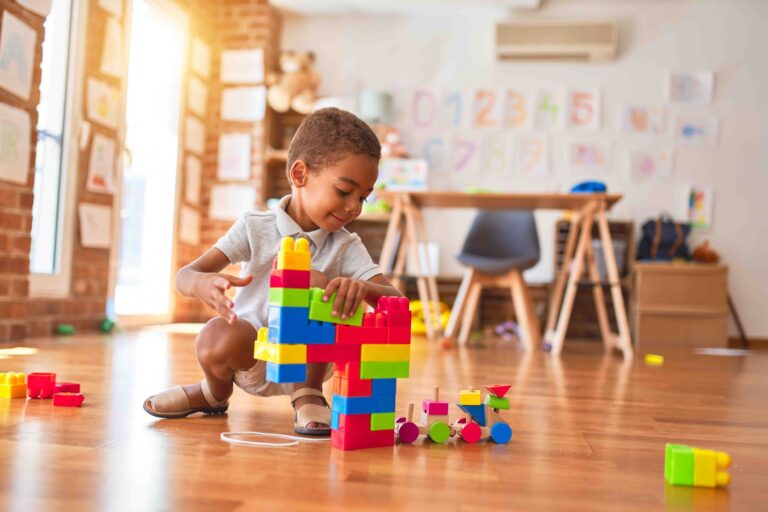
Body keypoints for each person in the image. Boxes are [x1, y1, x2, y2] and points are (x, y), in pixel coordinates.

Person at [143, 108, 402, 435]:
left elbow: (397, 299)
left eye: (363, 197)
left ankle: (308, 395)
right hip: (252, 351)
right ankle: (214, 393)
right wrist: (201, 283)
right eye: (343, 190)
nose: (354, 207)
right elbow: (185, 275)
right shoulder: (255, 227)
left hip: (311, 363)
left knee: (319, 287)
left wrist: (362, 289)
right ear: (299, 174)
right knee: (213, 337)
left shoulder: (346, 245)